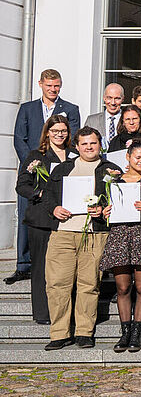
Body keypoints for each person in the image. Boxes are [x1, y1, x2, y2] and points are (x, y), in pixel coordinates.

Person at [42, 127, 121, 350]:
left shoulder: (111, 170)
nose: (89, 147)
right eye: (84, 144)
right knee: (58, 284)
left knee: (89, 284)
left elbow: (120, 199)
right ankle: (59, 333)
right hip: (63, 233)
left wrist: (105, 209)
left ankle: (84, 331)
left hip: (94, 234)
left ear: (100, 145)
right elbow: (47, 196)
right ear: (76, 146)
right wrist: (54, 209)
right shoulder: (63, 169)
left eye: (93, 143)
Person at [98, 142, 141, 352]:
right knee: (123, 287)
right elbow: (108, 208)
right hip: (120, 236)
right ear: (127, 157)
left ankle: (137, 331)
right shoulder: (113, 182)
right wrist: (106, 211)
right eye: (137, 157)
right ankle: (124, 331)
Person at [15, 115, 72, 324]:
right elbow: (22, 185)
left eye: (63, 131)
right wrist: (39, 194)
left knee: (64, 269)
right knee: (40, 266)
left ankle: (65, 311)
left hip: (66, 218)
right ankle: (42, 313)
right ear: (47, 132)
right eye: (55, 131)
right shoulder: (36, 156)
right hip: (41, 219)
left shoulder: (74, 155)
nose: (59, 134)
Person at [85, 83, 124, 151]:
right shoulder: (92, 120)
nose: (113, 103)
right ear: (104, 98)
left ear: (123, 99)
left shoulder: (128, 120)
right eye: (109, 98)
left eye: (117, 98)